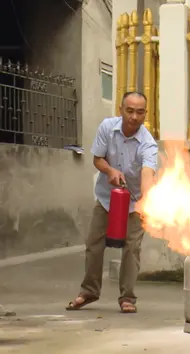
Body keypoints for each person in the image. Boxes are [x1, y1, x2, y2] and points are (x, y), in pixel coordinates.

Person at [66, 91, 158, 314]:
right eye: (130, 111)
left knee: (132, 248)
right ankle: (89, 291)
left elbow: (147, 171)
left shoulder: (148, 143)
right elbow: (97, 158)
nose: (134, 117)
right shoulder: (107, 128)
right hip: (107, 199)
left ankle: (127, 297)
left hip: (135, 203)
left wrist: (147, 201)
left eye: (140, 112)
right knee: (93, 244)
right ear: (121, 110)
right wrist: (110, 170)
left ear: (145, 114)